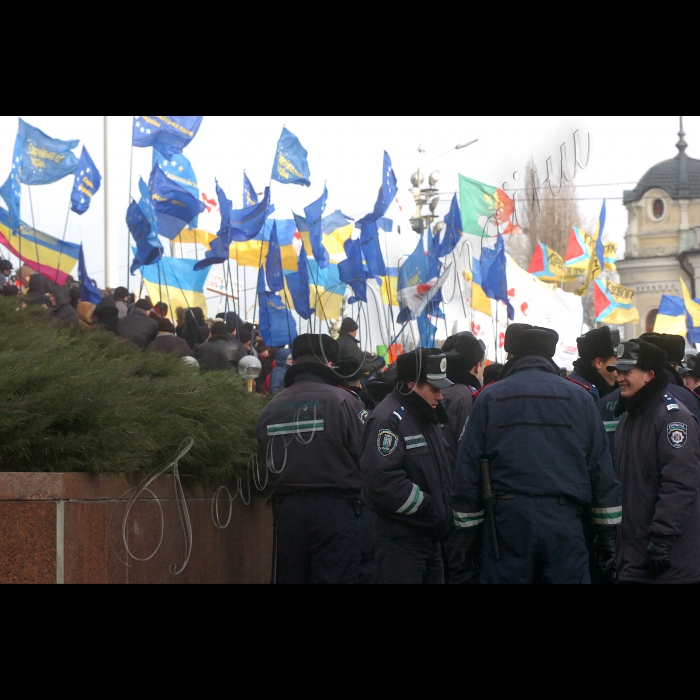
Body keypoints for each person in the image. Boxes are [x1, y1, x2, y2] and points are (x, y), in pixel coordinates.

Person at [451, 324, 622, 585]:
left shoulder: (489, 398)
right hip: (565, 524)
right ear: (549, 356)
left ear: (511, 356)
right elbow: (601, 469)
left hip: (507, 525)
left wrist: (467, 535)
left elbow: (468, 469)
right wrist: (607, 535)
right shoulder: (581, 399)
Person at [256, 334, 366, 585]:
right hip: (336, 512)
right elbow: (367, 456)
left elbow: (265, 456)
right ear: (330, 364)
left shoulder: (271, 407)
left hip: (287, 513)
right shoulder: (346, 402)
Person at [609, 340, 700, 584]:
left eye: (627, 372)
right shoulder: (629, 417)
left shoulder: (672, 417)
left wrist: (662, 540)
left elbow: (680, 484)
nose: (619, 378)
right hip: (635, 557)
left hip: (668, 561)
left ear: (649, 375)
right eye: (618, 372)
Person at [361, 349, 454, 585]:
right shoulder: (389, 419)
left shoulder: (424, 414)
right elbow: (383, 482)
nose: (440, 396)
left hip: (428, 537)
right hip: (400, 542)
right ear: (411, 385)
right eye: (434, 389)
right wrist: (430, 506)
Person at [439, 333, 486, 585]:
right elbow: (471, 457)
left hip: (428, 503)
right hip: (461, 507)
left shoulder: (430, 393)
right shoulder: (470, 398)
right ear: (477, 365)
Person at [569, 327, 620, 399]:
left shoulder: (599, 388)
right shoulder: (580, 393)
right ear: (598, 363)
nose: (618, 373)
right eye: (615, 365)